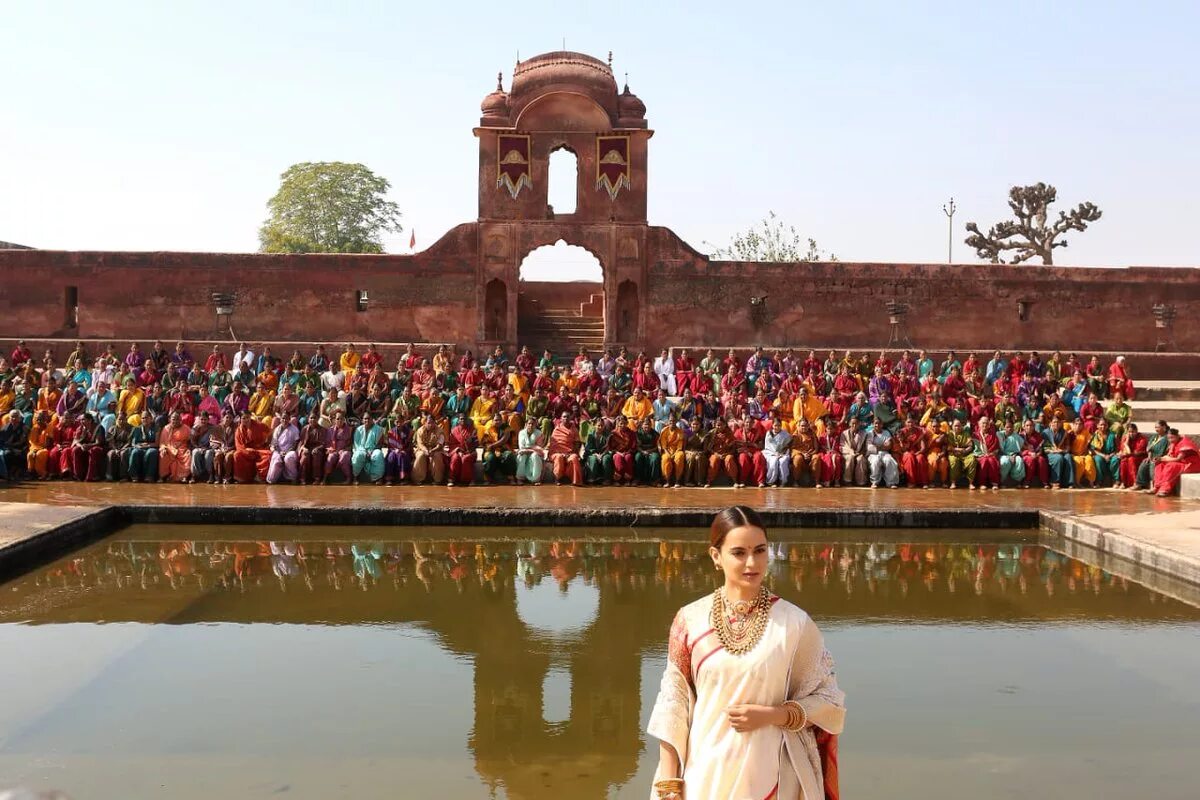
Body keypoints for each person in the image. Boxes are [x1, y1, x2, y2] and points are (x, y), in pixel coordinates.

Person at [648, 506, 845, 800]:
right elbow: (673, 706)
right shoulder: (690, 620)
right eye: (739, 553)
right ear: (716, 556)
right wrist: (669, 783)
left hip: (772, 774)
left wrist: (774, 714)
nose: (752, 562)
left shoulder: (795, 624)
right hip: (703, 774)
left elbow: (830, 701)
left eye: (760, 550)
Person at [1151, 428, 1200, 497]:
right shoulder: (1173, 443)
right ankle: (1157, 486)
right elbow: (1169, 456)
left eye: (1172, 438)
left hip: (1191, 465)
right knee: (1159, 464)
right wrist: (1159, 459)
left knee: (1171, 466)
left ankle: (1165, 489)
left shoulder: (1184, 443)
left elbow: (1178, 458)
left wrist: (1163, 459)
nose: (1170, 440)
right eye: (1168, 438)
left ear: (1177, 436)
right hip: (1181, 463)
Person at [232, 410, 271, 484]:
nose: (246, 420)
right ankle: (242, 478)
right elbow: (238, 445)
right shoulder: (238, 431)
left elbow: (270, 432)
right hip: (246, 451)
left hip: (259, 450)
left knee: (268, 455)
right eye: (243, 418)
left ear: (250, 417)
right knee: (237, 455)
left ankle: (260, 477)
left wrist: (267, 443)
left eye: (247, 418)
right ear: (240, 419)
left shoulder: (259, 425)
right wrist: (247, 450)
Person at [548, 412, 583, 486]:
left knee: (574, 458)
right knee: (559, 457)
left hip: (569, 452)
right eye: (564, 417)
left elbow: (577, 444)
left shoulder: (574, 429)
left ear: (570, 418)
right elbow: (553, 444)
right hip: (557, 452)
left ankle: (575, 481)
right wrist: (560, 453)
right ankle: (557, 478)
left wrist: (571, 453)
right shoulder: (556, 429)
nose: (566, 419)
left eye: (567, 417)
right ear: (561, 419)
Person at [157, 410, 193, 483]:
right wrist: (163, 448)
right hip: (169, 448)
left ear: (181, 420)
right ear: (170, 419)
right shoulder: (166, 428)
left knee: (187, 455)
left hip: (182, 449)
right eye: (173, 419)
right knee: (163, 454)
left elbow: (190, 441)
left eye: (177, 419)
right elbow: (162, 442)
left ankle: (183, 477)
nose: (175, 421)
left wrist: (188, 447)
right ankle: (163, 476)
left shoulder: (186, 428)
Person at [412, 411, 447, 485]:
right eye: (428, 423)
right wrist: (425, 450)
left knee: (437, 456)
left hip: (436, 450)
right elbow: (420, 443)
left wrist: (432, 450)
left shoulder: (440, 431)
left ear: (435, 423)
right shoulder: (420, 430)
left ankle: (437, 479)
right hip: (422, 449)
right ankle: (419, 478)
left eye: (432, 422)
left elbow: (439, 445)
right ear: (425, 423)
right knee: (420, 455)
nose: (430, 425)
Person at [352, 412, 386, 485]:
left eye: (368, 418)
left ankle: (377, 478)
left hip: (373, 449)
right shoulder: (358, 429)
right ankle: (355, 477)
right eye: (365, 419)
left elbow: (380, 444)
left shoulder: (379, 429)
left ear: (372, 419)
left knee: (378, 454)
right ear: (362, 420)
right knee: (358, 455)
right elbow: (356, 444)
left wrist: (371, 451)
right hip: (361, 449)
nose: (366, 420)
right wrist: (364, 452)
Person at [266, 412, 301, 484]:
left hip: (290, 450)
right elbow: (274, 443)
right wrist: (279, 452)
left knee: (288, 458)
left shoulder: (294, 429)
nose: (285, 420)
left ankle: (293, 478)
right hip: (278, 450)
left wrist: (287, 452)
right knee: (276, 458)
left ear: (289, 419)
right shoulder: (277, 429)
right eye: (283, 418)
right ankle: (272, 479)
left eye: (286, 418)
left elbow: (296, 443)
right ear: (280, 419)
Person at [865, 418, 899, 488]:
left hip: (885, 453)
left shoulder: (886, 433)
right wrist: (882, 446)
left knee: (890, 461)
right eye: (875, 423)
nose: (877, 425)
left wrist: (876, 446)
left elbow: (888, 446)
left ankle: (891, 483)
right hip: (873, 454)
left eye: (879, 423)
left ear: (882, 424)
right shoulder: (870, 433)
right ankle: (874, 482)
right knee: (875, 461)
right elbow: (869, 447)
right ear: (873, 424)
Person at [1136, 420, 1170, 491]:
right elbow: (1150, 449)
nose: (1156, 429)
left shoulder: (1167, 438)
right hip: (1152, 457)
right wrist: (1149, 457)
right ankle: (1140, 484)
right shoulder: (1154, 437)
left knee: (1153, 464)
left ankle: (1153, 486)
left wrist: (1160, 458)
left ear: (1164, 427)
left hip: (1161, 458)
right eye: (1155, 427)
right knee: (1144, 464)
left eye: (1158, 427)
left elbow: (1168, 451)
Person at [446, 415, 477, 487]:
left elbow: (477, 443)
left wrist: (471, 441)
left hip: (470, 451)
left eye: (464, 419)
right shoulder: (454, 430)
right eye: (461, 419)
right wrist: (458, 450)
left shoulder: (473, 430)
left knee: (465, 459)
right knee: (455, 458)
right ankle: (452, 479)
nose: (463, 420)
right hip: (457, 451)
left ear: (467, 420)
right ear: (458, 420)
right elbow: (451, 444)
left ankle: (467, 480)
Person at [838, 417, 867, 487]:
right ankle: (847, 480)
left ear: (859, 424)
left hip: (859, 453)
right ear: (849, 424)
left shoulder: (864, 433)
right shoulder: (844, 433)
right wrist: (851, 452)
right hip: (847, 453)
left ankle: (861, 482)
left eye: (856, 423)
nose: (854, 425)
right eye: (853, 423)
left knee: (861, 459)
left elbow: (865, 446)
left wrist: (860, 453)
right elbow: (842, 445)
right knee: (850, 458)